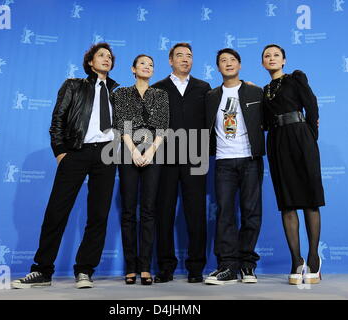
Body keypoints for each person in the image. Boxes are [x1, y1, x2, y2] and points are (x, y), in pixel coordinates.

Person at [11, 43, 119, 289]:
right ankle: (42, 270)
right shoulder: (73, 85)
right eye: (101, 55)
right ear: (90, 62)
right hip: (76, 151)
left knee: (98, 215)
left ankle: (85, 270)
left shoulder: (117, 90)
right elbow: (57, 119)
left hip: (106, 155)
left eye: (110, 57)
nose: (106, 59)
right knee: (57, 212)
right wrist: (61, 152)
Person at [261, 44, 325, 285]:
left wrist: (308, 135)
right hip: (277, 142)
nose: (272, 58)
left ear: (284, 60)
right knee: (287, 202)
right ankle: (296, 260)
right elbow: (265, 123)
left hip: (300, 137)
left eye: (276, 55)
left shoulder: (296, 78)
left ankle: (313, 258)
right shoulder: (265, 90)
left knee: (309, 198)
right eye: (267, 56)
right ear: (262, 63)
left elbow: (312, 104)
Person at [204, 48, 265, 285]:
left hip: (250, 159)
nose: (228, 63)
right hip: (223, 161)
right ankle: (227, 266)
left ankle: (247, 266)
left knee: (251, 213)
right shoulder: (210, 96)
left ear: (239, 65)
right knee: (225, 214)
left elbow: (270, 118)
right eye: (222, 61)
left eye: (232, 60)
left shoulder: (255, 91)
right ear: (218, 68)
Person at [152, 43, 211, 283]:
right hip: (164, 159)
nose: (185, 59)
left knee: (196, 213)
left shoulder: (204, 88)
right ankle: (165, 267)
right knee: (163, 213)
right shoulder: (157, 89)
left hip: (195, 158)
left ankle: (196, 268)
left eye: (189, 56)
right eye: (180, 56)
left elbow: (211, 121)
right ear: (170, 60)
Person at [112, 54, 169, 285]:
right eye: (142, 64)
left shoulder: (160, 95)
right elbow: (122, 123)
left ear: (153, 71)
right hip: (127, 151)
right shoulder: (122, 93)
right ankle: (130, 267)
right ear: (133, 69)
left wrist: (150, 152)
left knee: (148, 211)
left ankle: (145, 267)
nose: (147, 67)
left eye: (151, 64)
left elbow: (163, 126)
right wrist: (134, 151)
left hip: (153, 152)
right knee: (128, 211)